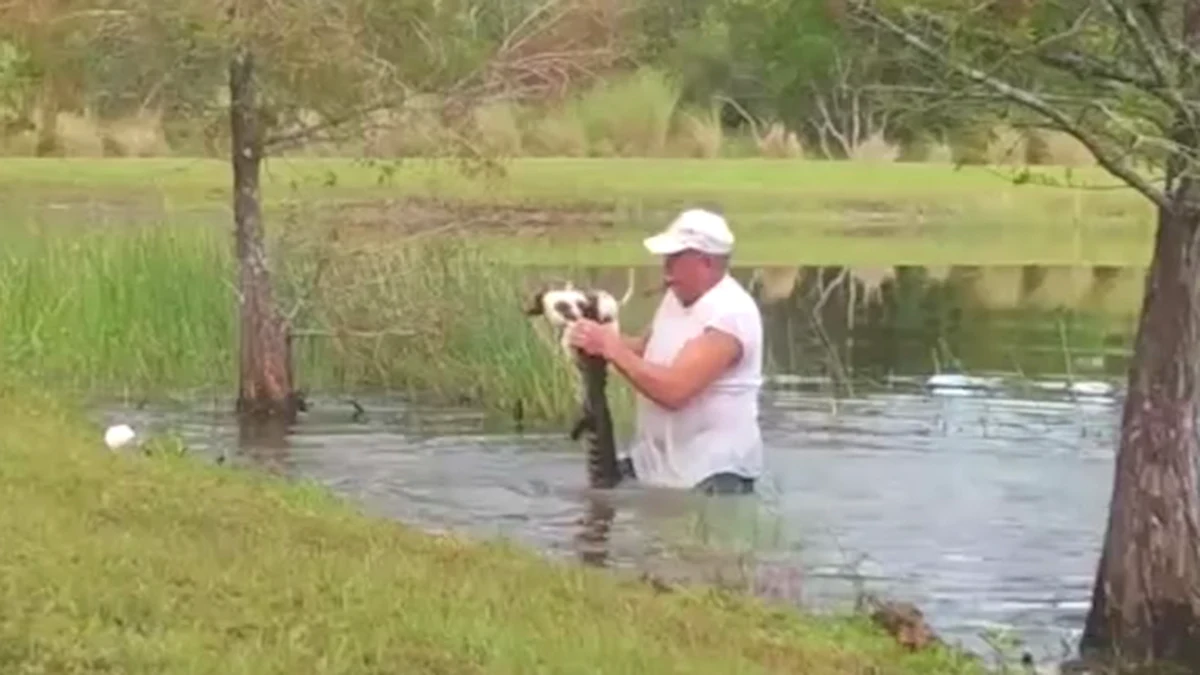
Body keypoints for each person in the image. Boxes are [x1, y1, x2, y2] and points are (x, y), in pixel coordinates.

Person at [567, 208, 764, 495]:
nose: (666, 267)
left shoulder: (730, 315)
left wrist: (611, 348)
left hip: (713, 475)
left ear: (705, 262)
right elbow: (645, 350)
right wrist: (595, 339)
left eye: (675, 258)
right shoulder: (677, 296)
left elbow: (675, 391)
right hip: (657, 465)